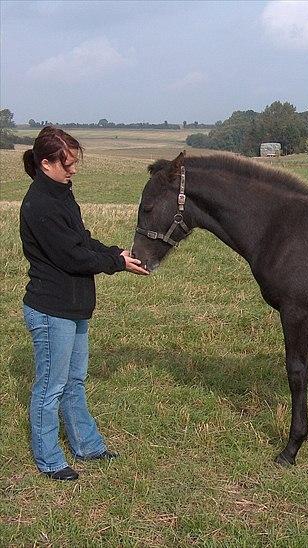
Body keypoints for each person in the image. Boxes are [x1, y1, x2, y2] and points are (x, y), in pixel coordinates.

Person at [19, 127, 148, 481]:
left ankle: (88, 446)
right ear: (46, 164)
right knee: (51, 386)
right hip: (51, 310)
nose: (73, 169)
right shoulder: (39, 204)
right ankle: (49, 460)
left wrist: (115, 253)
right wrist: (117, 264)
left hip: (73, 307)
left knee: (74, 380)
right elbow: (73, 257)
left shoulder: (61, 195)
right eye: (67, 163)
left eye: (75, 162)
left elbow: (83, 241)